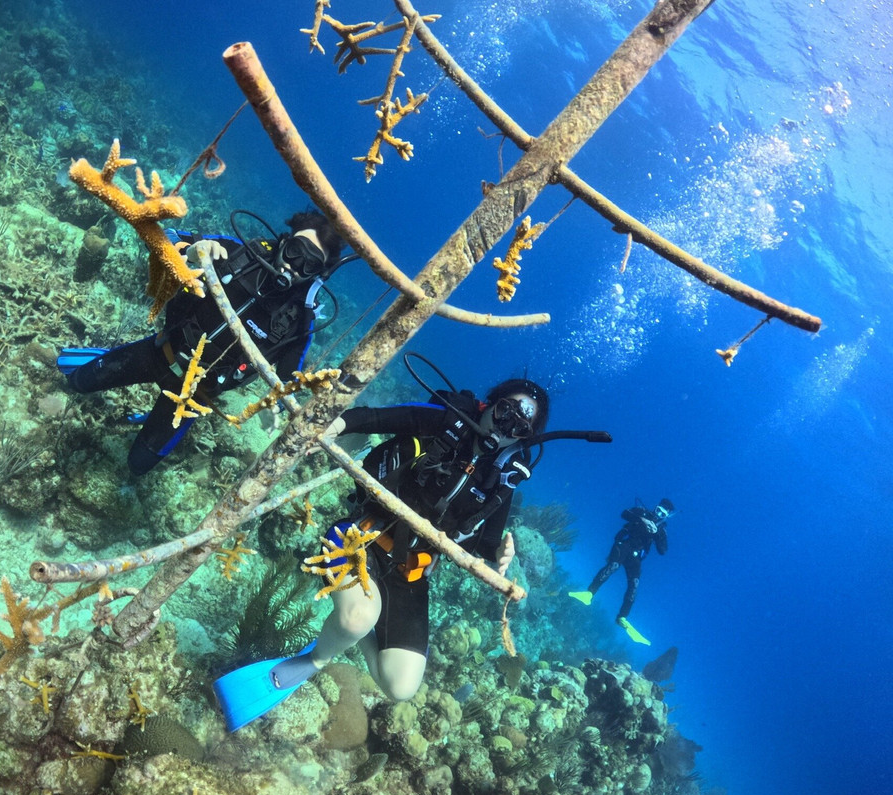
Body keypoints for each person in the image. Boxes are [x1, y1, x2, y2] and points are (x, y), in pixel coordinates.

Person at [213, 376, 553, 730]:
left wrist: (498, 550)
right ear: (489, 403)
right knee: (356, 618)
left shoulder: (501, 479)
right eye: (505, 411)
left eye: (519, 425)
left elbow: (475, 542)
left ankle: (354, 633)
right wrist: (333, 427)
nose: (505, 426)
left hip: (412, 572)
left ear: (524, 438)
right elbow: (377, 417)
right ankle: (316, 658)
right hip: (360, 537)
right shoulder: (446, 419)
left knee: (400, 686)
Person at [59, 210, 346, 475]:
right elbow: (164, 238)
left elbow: (288, 381)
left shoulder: (299, 319)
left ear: (318, 274)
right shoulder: (241, 254)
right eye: (295, 251)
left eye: (308, 264)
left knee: (138, 466)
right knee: (77, 383)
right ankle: (103, 358)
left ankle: (153, 417)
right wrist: (191, 251)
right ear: (285, 241)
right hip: (160, 351)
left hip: (196, 394)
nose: (293, 266)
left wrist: (275, 406)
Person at [568, 498, 676, 645]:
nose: (658, 515)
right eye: (658, 510)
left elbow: (663, 550)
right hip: (624, 545)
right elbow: (624, 514)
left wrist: (657, 533)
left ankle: (622, 617)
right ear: (655, 507)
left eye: (662, 514)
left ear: (666, 516)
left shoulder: (661, 530)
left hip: (636, 556)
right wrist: (643, 520)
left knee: (634, 585)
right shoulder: (642, 512)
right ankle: (589, 593)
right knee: (613, 566)